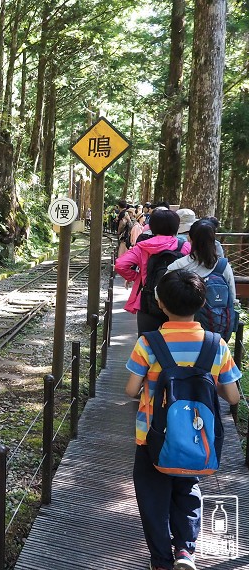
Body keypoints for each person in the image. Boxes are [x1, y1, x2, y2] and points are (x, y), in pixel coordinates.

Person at [125, 270, 240, 570]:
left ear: (160, 303)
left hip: (152, 436)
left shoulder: (148, 343)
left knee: (152, 499)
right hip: (196, 437)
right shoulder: (217, 345)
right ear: (201, 302)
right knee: (188, 490)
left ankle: (161, 560)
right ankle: (185, 552)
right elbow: (234, 397)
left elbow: (131, 389)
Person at [115, 209, 191, 335]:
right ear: (176, 227)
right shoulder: (184, 246)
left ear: (152, 227)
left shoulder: (143, 246)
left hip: (148, 300)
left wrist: (136, 276)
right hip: (178, 299)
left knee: (147, 341)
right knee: (176, 338)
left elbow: (120, 265)